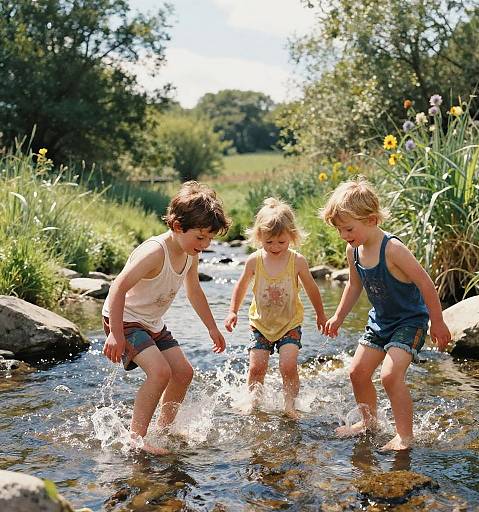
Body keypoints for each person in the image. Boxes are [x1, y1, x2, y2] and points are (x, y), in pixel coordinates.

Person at [321, 178, 451, 450]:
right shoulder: (353, 250)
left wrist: (437, 322)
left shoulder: (393, 249)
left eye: (348, 228)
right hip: (380, 322)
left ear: (371, 219)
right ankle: (369, 422)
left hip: (410, 321)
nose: (344, 235)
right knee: (357, 372)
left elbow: (426, 284)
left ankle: (404, 436)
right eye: (339, 230)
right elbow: (354, 285)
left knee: (390, 376)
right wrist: (338, 317)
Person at [102, 181, 230, 454]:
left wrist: (212, 328)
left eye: (209, 239)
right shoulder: (154, 252)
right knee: (160, 373)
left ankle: (164, 428)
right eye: (200, 237)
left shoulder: (189, 252)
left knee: (183, 373)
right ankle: (135, 438)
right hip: (124, 319)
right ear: (176, 226)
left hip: (151, 322)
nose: (205, 244)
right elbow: (117, 287)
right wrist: (115, 333)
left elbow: (194, 291)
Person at [224, 198, 327, 419]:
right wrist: (233, 310)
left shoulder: (297, 261)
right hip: (260, 323)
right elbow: (241, 286)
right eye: (269, 242)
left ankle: (289, 404)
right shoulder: (254, 261)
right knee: (256, 368)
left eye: (281, 242)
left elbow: (311, 288)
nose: (275, 248)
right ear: (259, 237)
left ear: (291, 236)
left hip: (290, 322)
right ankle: (253, 402)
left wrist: (320, 314)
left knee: (288, 365)